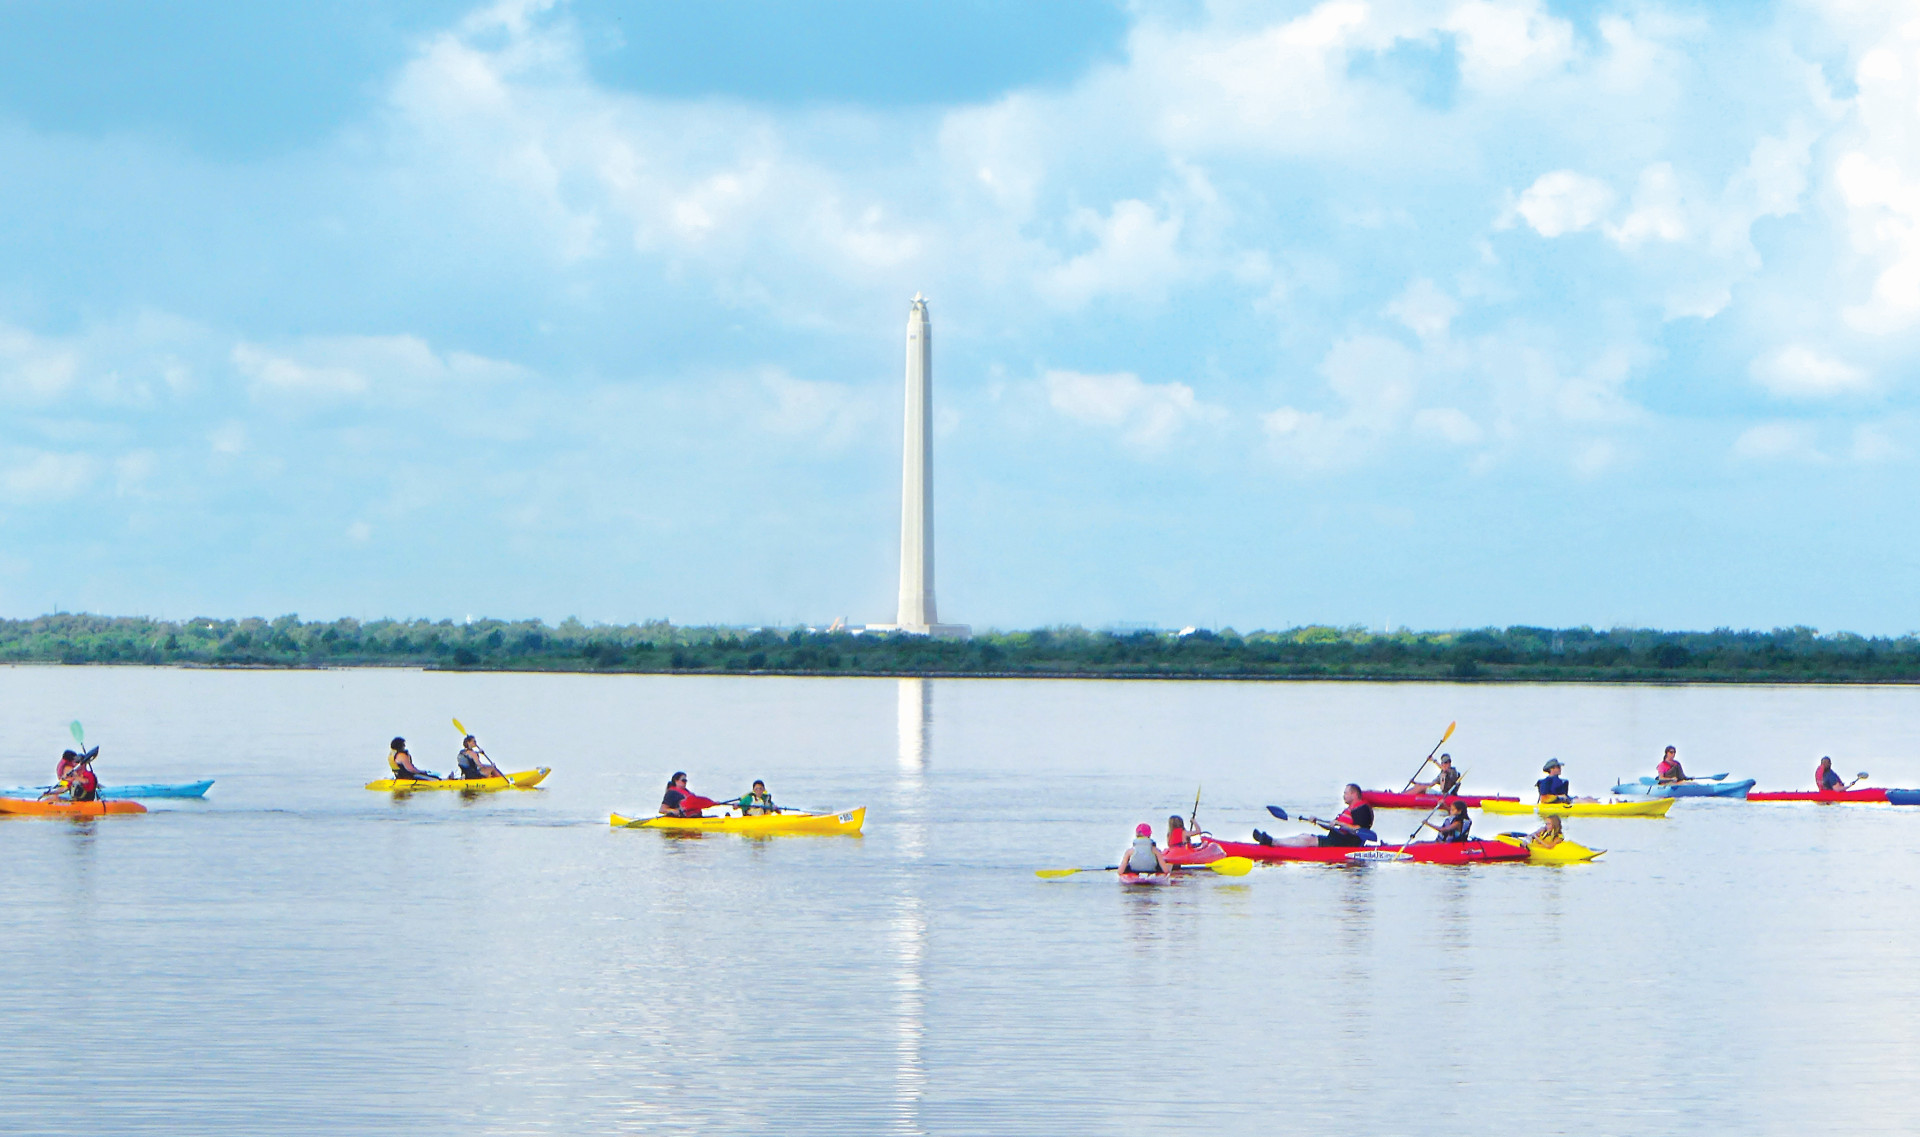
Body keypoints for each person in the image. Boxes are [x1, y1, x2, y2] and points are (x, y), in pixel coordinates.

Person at [1253, 784, 1375, 847]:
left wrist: (1339, 823)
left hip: (1343, 844)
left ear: (1354, 794)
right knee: (1304, 836)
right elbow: (1332, 826)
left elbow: (1359, 830)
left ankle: (1272, 842)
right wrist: (1318, 821)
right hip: (1336, 840)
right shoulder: (1348, 810)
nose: (1343, 796)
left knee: (1307, 839)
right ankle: (1273, 841)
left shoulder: (1361, 809)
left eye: (1345, 793)